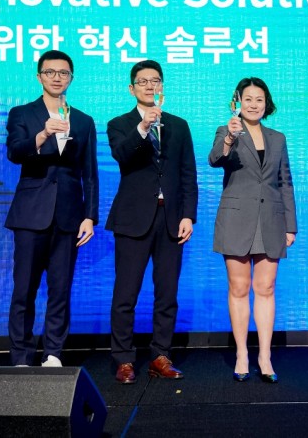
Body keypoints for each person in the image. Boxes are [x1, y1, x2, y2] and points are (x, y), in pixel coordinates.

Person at [5, 50, 98, 367]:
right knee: (24, 289)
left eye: (63, 73)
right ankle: (21, 356)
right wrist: (43, 134)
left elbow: (89, 172)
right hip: (31, 214)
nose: (57, 78)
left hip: (69, 216)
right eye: (50, 72)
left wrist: (90, 216)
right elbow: (15, 153)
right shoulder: (22, 113)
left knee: (60, 290)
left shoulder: (83, 120)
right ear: (39, 76)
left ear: (71, 78)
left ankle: (53, 353)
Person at [107, 60, 198, 384]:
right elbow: (123, 156)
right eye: (143, 81)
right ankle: (124, 359)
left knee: (167, 293)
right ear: (131, 88)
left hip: (170, 219)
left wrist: (188, 215)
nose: (149, 86)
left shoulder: (179, 125)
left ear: (162, 86)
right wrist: (143, 127)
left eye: (155, 80)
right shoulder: (119, 124)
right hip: (132, 219)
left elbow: (188, 173)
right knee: (125, 294)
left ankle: (160, 355)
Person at [208, 77, 297, 383]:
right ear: (238, 102)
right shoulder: (226, 131)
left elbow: (285, 182)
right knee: (239, 288)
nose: (254, 104)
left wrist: (290, 225)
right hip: (236, 219)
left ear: (266, 103)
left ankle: (265, 356)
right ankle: (242, 354)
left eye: (259, 99)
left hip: (271, 219)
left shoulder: (278, 138)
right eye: (248, 99)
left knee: (266, 287)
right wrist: (230, 139)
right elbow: (215, 160)